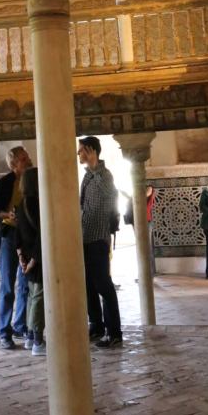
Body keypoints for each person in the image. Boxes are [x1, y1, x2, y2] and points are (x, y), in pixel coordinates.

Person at [78, 136, 123, 349]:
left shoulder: (105, 175)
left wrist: (95, 166)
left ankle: (114, 333)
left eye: (81, 150)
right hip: (85, 237)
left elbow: (111, 196)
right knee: (88, 285)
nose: (78, 154)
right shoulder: (87, 176)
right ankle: (96, 326)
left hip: (98, 239)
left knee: (104, 285)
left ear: (91, 151)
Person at [0, 145, 31, 349]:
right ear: (14, 164)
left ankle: (20, 325)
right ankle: (4, 332)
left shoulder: (32, 180)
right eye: (24, 158)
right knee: (8, 285)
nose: (29, 160)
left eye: (27, 157)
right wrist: (8, 215)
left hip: (28, 236)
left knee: (25, 284)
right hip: (10, 236)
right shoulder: (4, 183)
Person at [16, 166, 45, 356]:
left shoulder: (21, 204)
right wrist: (34, 260)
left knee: (31, 296)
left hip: (26, 258)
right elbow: (42, 233)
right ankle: (37, 341)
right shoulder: (37, 204)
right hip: (36, 258)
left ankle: (29, 337)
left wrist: (22, 258)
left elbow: (17, 234)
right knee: (38, 297)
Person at [147, 185, 156, 277]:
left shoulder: (150, 191)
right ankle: (148, 273)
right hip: (143, 223)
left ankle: (150, 273)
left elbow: (148, 192)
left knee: (148, 248)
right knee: (146, 248)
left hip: (147, 223)